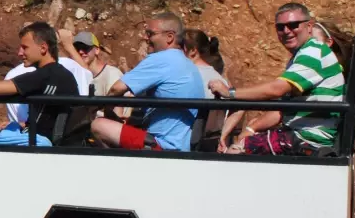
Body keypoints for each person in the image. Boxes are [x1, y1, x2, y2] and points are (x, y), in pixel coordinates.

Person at [209, 2, 344, 156]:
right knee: (242, 144)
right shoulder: (303, 54)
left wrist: (229, 92)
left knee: (234, 151)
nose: (286, 31)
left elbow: (276, 89)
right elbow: (281, 107)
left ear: (309, 26)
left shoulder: (313, 53)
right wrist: (251, 128)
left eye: (293, 25)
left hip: (306, 138)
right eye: (280, 27)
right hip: (297, 134)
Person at [90, 12, 205, 151]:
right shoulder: (188, 64)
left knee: (98, 125)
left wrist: (102, 108)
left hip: (163, 146)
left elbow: (117, 89)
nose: (145, 37)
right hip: (181, 145)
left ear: (169, 37)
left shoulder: (162, 58)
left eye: (150, 33)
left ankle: (119, 169)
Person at [0, 22, 78, 146]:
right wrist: (22, 124)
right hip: (38, 137)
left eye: (25, 47)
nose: (19, 53)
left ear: (43, 48)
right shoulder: (60, 74)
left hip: (38, 143)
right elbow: (49, 119)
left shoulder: (44, 76)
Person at [4, 28, 92, 128]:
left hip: (35, 133)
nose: (81, 52)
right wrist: (68, 45)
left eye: (25, 47)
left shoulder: (16, 73)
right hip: (35, 130)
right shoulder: (65, 66)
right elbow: (86, 72)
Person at [184, 29, 229, 137]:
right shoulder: (219, 79)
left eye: (179, 48)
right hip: (207, 139)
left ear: (193, 51)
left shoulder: (185, 75)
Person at [59, 30, 123, 97]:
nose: (81, 52)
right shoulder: (76, 75)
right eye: (77, 49)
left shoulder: (111, 74)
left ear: (97, 50)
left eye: (85, 48)